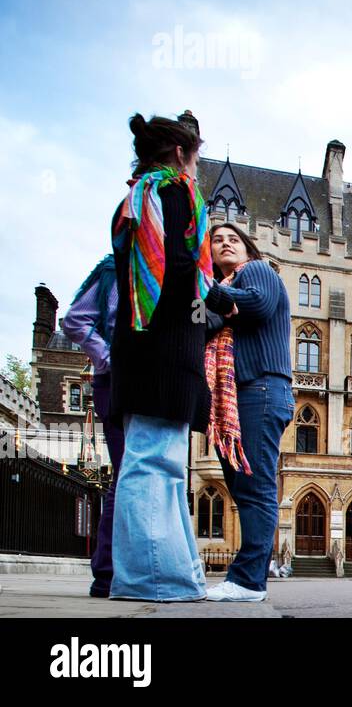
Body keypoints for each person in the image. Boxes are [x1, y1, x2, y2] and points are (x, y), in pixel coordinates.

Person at [108, 112, 237, 602]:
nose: (197, 166)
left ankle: (167, 575)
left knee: (151, 463)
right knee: (155, 464)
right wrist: (222, 303)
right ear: (183, 153)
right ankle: (154, 579)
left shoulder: (133, 200)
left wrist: (209, 313)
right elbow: (184, 272)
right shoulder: (175, 192)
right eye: (197, 156)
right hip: (163, 351)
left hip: (139, 347)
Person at [203, 222, 293, 602]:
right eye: (217, 241)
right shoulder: (221, 293)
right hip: (235, 399)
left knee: (255, 488)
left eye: (232, 240)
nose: (224, 244)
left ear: (247, 248)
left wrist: (209, 292)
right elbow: (201, 324)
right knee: (243, 487)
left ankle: (249, 581)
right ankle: (245, 578)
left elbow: (257, 305)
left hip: (262, 388)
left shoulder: (256, 270)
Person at [61, 255, 121, 598]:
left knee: (131, 475)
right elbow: (75, 320)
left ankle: (113, 572)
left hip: (150, 385)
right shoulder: (114, 269)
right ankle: (107, 574)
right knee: (128, 474)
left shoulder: (168, 270)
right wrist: (108, 357)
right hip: (115, 383)